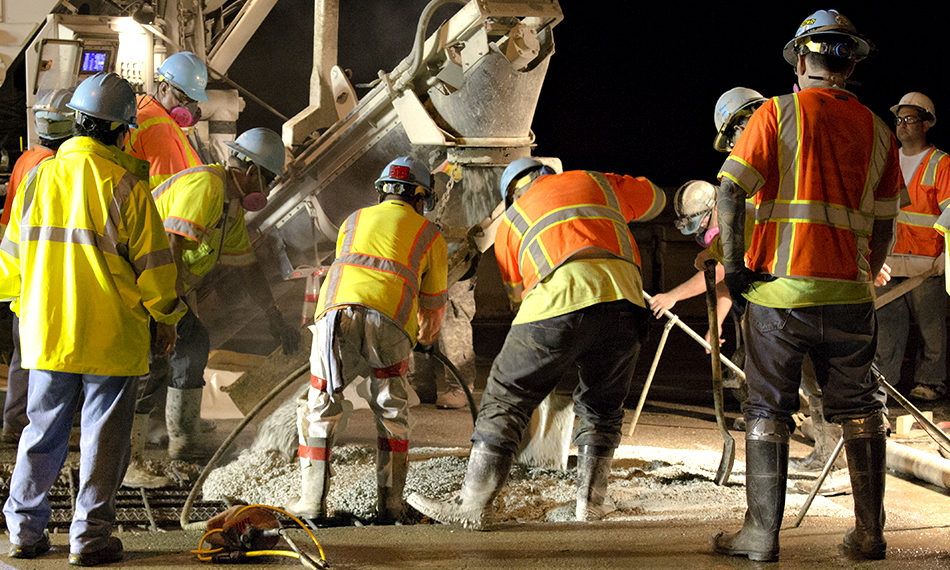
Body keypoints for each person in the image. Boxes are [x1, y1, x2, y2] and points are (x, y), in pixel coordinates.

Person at [712, 9, 901, 562]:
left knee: (767, 410)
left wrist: (735, 266)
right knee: (862, 409)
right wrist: (867, 272)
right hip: (849, 296)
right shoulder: (880, 131)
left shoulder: (776, 113)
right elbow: (885, 222)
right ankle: (869, 536)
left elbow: (728, 192)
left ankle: (761, 535)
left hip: (778, 295)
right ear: (850, 64)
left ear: (801, 58)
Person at [408, 158, 665, 528]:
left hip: (555, 305)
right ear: (549, 175)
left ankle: (474, 505)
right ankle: (590, 505)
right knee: (602, 405)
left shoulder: (511, 222)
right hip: (625, 304)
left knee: (506, 394)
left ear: (511, 193)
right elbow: (656, 198)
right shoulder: (596, 182)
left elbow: (520, 301)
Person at [0, 72, 184, 566]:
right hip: (111, 338)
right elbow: (156, 273)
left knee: (40, 432)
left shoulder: (39, 177)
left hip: (46, 335)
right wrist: (167, 319)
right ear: (124, 131)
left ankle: (24, 531)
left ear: (77, 123)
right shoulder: (128, 186)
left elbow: (10, 264)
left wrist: (26, 311)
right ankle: (90, 539)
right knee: (104, 441)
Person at [123, 127, 300, 487]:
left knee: (190, 344)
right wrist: (169, 312)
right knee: (153, 362)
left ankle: (182, 441)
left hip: (159, 286)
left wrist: (274, 318)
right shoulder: (208, 186)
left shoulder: (227, 205)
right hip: (141, 286)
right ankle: (129, 460)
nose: (266, 191)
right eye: (267, 181)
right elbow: (172, 242)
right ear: (251, 172)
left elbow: (248, 267)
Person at [287, 156, 447, 524]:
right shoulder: (430, 234)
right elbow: (433, 310)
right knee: (391, 410)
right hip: (388, 321)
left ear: (382, 192)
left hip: (332, 317)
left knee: (320, 405)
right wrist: (423, 339)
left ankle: (311, 502)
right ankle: (390, 507)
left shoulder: (353, 220)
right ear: (421, 199)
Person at [1, 87, 74, 445]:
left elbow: (8, 225)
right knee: (45, 359)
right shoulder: (54, 170)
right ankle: (36, 428)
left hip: (21, 275)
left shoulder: (25, 160)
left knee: (23, 354)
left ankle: (14, 422)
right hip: (44, 277)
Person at [875, 92, 950, 402]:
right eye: (899, 120)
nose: (903, 125)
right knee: (887, 324)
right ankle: (885, 382)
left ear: (927, 124)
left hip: (927, 259)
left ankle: (931, 381)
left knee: (932, 326)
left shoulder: (940, 163)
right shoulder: (887, 159)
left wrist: (946, 254)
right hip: (890, 258)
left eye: (910, 119)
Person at [128, 51, 207, 189]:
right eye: (183, 99)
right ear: (164, 88)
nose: (187, 108)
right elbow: (170, 191)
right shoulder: (161, 129)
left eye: (193, 101)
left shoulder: (138, 104)